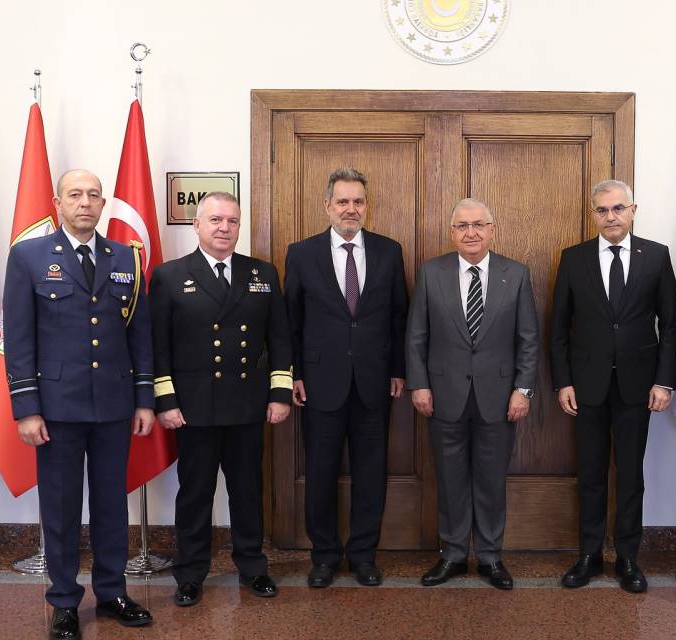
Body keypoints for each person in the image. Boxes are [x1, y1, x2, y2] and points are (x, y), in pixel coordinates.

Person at [3, 169, 155, 639]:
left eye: (93, 195)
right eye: (75, 195)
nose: (85, 202)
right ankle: (64, 601)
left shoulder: (127, 258)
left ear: (103, 202)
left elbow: (139, 335)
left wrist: (144, 399)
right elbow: (19, 336)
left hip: (113, 404)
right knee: (62, 507)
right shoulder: (29, 256)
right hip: (57, 408)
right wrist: (26, 407)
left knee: (111, 504)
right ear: (57, 202)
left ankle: (112, 593)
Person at [148, 192, 292, 605]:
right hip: (193, 408)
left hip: (247, 403)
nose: (224, 228)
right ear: (197, 225)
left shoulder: (262, 272)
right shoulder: (171, 275)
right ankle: (190, 573)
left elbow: (279, 338)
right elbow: (159, 346)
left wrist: (279, 392)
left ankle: (252, 566)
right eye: (215, 220)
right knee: (195, 492)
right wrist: (166, 400)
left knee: (247, 491)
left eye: (231, 221)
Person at [550, 179, 676, 593]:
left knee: (630, 475)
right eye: (603, 210)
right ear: (594, 214)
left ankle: (627, 557)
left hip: (638, 387)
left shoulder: (656, 257)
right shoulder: (573, 259)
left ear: (633, 209)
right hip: (586, 386)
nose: (611, 217)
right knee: (589, 474)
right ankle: (588, 555)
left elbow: (670, 326)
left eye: (618, 208)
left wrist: (664, 380)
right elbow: (558, 329)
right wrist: (562, 381)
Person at [406, 198, 539, 591]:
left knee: (491, 479)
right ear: (452, 232)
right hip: (443, 395)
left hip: (500, 398)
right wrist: (419, 384)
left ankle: (491, 557)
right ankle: (452, 554)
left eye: (479, 224)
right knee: (449, 479)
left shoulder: (515, 274)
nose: (471, 232)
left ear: (492, 229)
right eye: (462, 226)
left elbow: (528, 339)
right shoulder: (432, 273)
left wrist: (523, 389)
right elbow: (416, 337)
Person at [284, 168, 408, 587]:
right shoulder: (301, 254)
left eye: (358, 201)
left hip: (374, 382)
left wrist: (398, 370)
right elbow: (291, 322)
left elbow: (399, 317)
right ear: (327, 206)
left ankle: (363, 556)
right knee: (319, 472)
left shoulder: (390, 251)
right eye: (342, 201)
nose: (351, 209)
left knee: (372, 473)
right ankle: (323, 557)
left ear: (366, 206)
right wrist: (295, 374)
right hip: (319, 383)